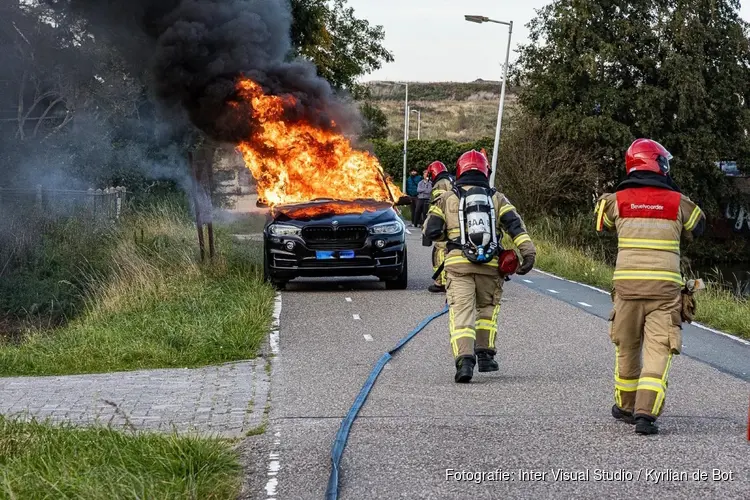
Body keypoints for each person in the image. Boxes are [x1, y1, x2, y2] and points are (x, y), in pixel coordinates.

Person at [595, 138, 705, 436]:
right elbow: (700, 226)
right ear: (656, 163)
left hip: (627, 288)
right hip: (665, 291)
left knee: (627, 346)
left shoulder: (615, 201)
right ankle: (646, 412)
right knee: (659, 349)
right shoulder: (679, 202)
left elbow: (601, 223)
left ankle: (626, 406)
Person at [423, 150, 536, 383]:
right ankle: (485, 356)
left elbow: (430, 231)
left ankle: (464, 362)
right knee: (486, 311)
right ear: (486, 171)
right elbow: (515, 226)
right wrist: (528, 253)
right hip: (490, 265)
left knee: (461, 312)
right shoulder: (497, 198)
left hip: (457, 265)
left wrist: (451, 241)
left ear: (459, 169)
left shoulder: (446, 198)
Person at [425, 161, 453, 293]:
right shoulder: (451, 179)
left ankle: (441, 282)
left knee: (439, 250)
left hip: (445, 221)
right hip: (454, 221)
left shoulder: (440, 184)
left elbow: (439, 204)